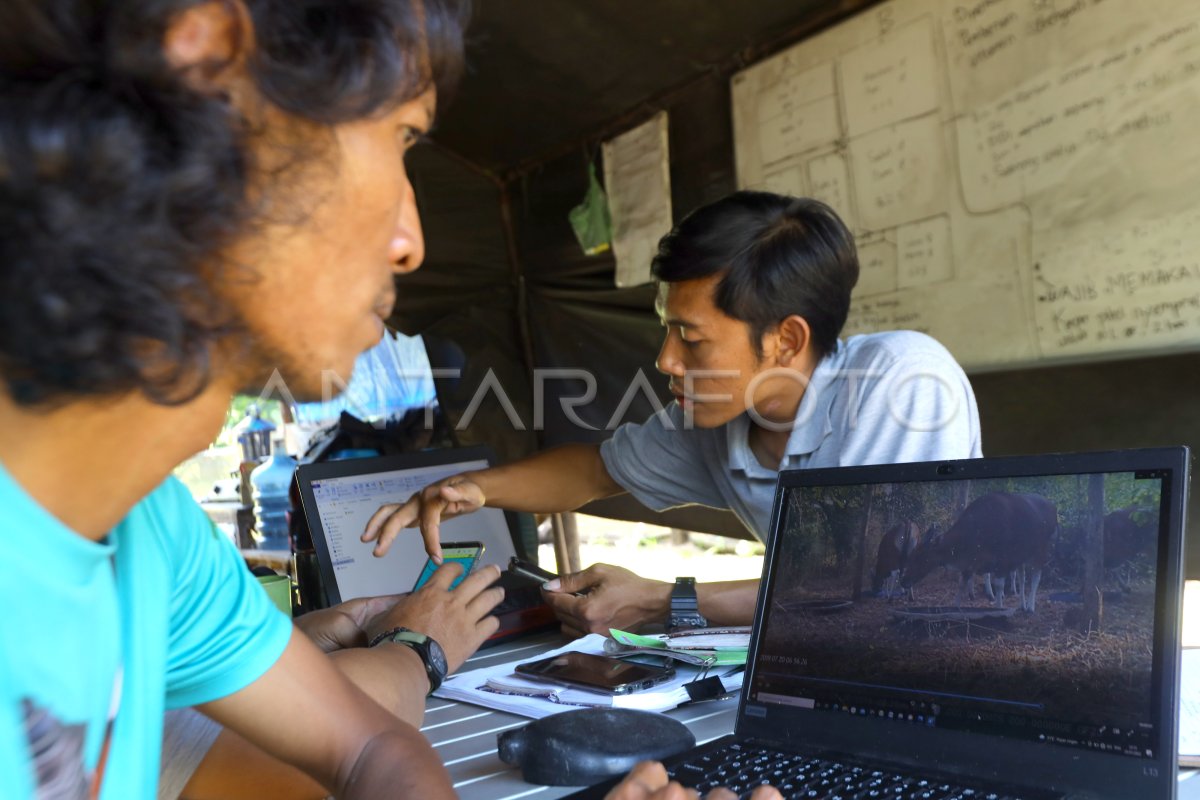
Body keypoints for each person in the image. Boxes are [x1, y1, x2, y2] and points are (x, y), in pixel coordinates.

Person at [1, 2, 765, 798]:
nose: (412, 242)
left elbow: (367, 754)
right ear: (208, 75)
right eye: (401, 136)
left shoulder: (149, 527)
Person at [364, 191, 983, 637]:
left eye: (691, 337)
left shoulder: (903, 381)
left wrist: (666, 600)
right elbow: (595, 470)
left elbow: (874, 591)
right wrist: (470, 489)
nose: (665, 360)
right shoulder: (717, 420)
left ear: (786, 341)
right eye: (666, 331)